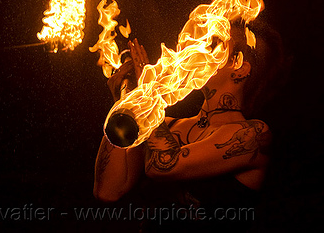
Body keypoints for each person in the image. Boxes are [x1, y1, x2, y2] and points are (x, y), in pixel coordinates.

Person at [93, 20, 285, 231]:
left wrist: (147, 92)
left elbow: (164, 166)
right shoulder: (166, 124)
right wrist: (126, 100)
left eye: (213, 44)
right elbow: (108, 191)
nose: (197, 47)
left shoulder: (253, 135)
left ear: (239, 67)